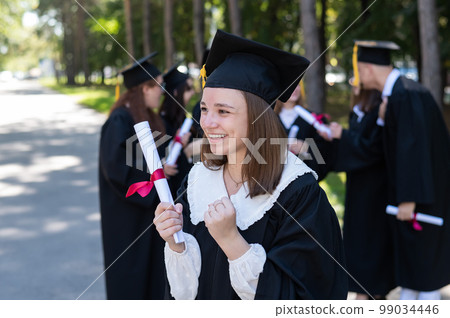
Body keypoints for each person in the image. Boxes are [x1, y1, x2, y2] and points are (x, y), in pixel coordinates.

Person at [153, 30, 348, 300]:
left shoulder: (298, 194)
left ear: (258, 119)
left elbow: (307, 298)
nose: (207, 123)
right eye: (205, 109)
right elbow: (185, 294)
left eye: (223, 111)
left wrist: (232, 242)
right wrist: (176, 245)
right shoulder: (198, 179)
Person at [355, 40, 450, 300]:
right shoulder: (402, 91)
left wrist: (408, 199)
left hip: (421, 200)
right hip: (421, 195)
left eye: (360, 70)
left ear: (368, 69)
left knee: (424, 271)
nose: (360, 76)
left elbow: (413, 150)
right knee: (414, 270)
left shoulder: (404, 94)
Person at [98, 52, 176, 299]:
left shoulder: (148, 118)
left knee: (153, 276)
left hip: (149, 215)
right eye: (158, 85)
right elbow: (116, 168)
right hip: (128, 219)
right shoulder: (119, 120)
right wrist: (156, 177)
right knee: (130, 280)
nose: (162, 91)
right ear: (144, 88)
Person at [320, 79, 395, 299]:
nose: (353, 85)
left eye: (356, 82)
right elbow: (353, 149)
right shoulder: (358, 113)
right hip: (357, 188)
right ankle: (365, 291)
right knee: (358, 240)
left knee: (371, 242)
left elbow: (373, 150)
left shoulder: (376, 115)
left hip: (375, 190)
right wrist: (335, 138)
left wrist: (343, 136)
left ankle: (370, 292)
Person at [275, 83, 333, 181]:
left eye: (297, 85)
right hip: (275, 180)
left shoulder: (313, 120)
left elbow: (326, 151)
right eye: (289, 84)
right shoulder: (269, 119)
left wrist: (307, 148)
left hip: (302, 180)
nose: (295, 89)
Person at [159, 64, 194, 198]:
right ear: (175, 92)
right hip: (171, 192)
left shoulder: (182, 119)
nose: (192, 92)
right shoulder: (161, 123)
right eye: (188, 89)